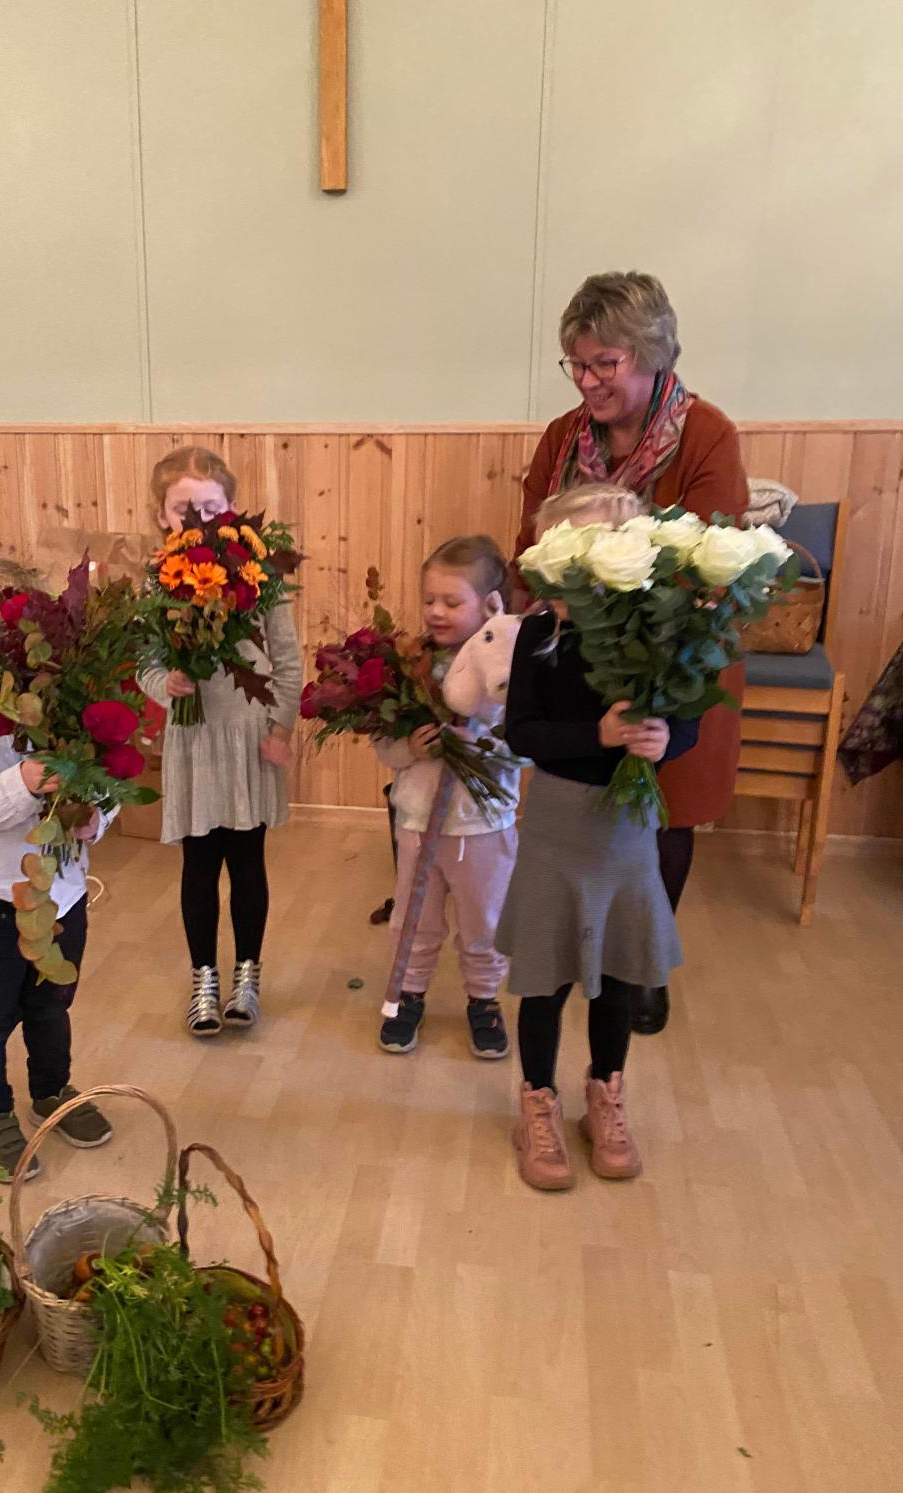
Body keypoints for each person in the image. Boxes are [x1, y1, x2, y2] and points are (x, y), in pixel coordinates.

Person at [517, 271, 749, 1035]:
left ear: (653, 355)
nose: (588, 381)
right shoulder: (562, 437)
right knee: (584, 800)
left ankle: (639, 963)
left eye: (604, 363)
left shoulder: (706, 434)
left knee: (667, 798)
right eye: (577, 365)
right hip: (579, 649)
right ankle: (574, 949)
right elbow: (532, 542)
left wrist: (643, 635)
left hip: (676, 647)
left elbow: (712, 551)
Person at [499, 485, 699, 1191]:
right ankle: (538, 1102)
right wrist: (600, 734)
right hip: (558, 822)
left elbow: (689, 720)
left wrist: (664, 737)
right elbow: (520, 731)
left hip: (626, 829)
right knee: (546, 978)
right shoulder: (538, 632)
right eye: (577, 548)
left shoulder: (655, 633)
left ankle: (605, 1095)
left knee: (617, 975)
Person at [0, 556, 113, 1180]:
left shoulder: (61, 713)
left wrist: (94, 820)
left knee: (52, 1002)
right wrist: (24, 781)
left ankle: (51, 1091)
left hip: (60, 896)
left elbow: (97, 786)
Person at [139, 447, 302, 1037]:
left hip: (249, 736)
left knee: (248, 861)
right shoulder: (156, 580)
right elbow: (146, 663)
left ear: (231, 510)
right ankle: (204, 979)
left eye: (211, 507)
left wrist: (281, 728)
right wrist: (166, 682)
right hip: (194, 738)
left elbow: (287, 662)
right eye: (185, 509)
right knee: (199, 864)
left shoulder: (262, 577)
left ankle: (247, 978)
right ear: (162, 515)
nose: (199, 520)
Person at [375, 536, 524, 1060]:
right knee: (414, 919)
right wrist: (409, 749)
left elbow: (526, 748)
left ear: (489, 605)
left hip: (484, 826)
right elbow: (383, 746)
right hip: (418, 820)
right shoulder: (408, 665)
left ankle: (484, 1000)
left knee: (483, 920)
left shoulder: (507, 665)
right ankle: (406, 996)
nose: (436, 611)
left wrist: (481, 743)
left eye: (452, 602)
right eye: (429, 599)